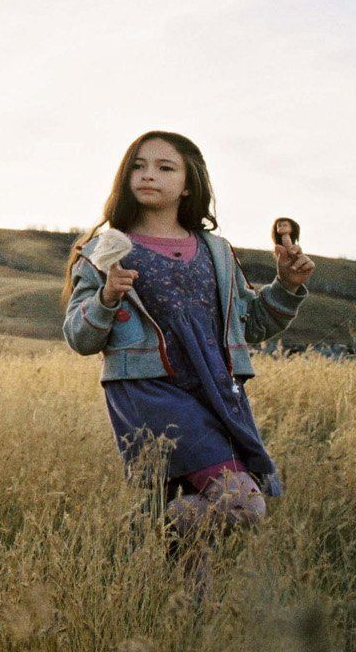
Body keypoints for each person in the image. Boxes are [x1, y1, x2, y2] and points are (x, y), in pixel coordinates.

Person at [61, 130, 316, 592]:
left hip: (215, 391)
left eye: (164, 167)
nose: (148, 175)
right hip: (148, 393)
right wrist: (105, 296)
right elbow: (79, 336)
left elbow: (252, 323)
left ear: (188, 184)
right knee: (243, 504)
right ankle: (155, 526)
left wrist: (287, 285)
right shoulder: (106, 250)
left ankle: (188, 613)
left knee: (194, 520)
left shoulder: (216, 252)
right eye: (138, 165)